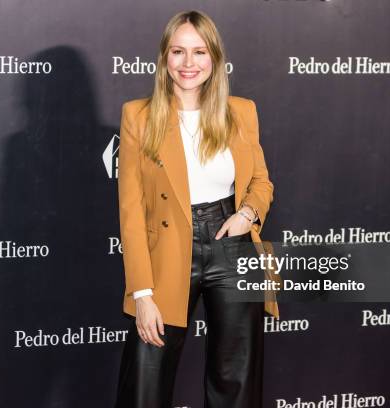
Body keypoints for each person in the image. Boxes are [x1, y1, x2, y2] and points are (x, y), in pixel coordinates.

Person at [114, 10, 277, 408]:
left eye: (200, 52)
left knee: (236, 382)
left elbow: (261, 182)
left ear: (215, 58)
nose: (189, 64)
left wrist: (248, 214)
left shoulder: (242, 112)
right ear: (164, 58)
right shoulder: (139, 116)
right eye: (178, 52)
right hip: (168, 251)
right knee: (145, 384)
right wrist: (143, 294)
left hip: (232, 244)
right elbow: (131, 211)